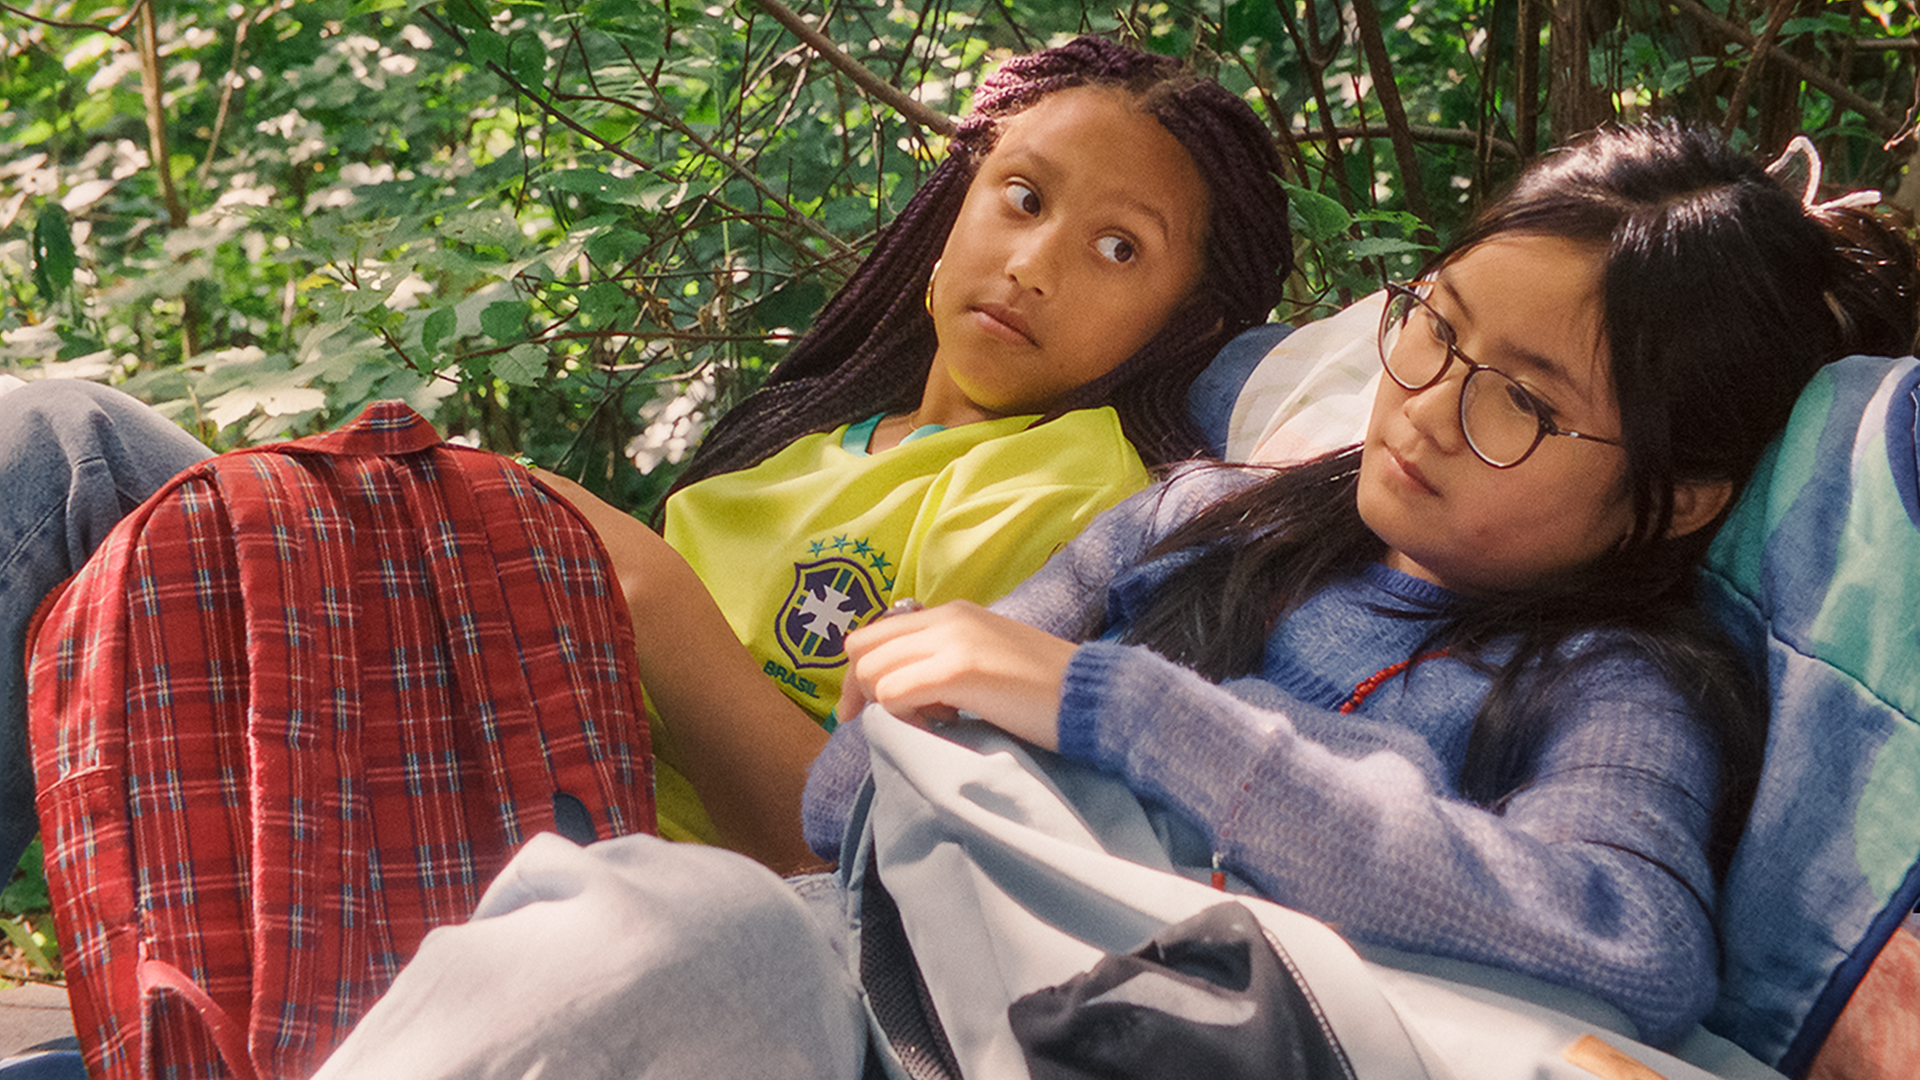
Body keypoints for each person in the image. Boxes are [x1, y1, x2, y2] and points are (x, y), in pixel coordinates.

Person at [0, 36, 1293, 877]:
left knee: (71, 453)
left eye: (1118, 247)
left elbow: (863, 867)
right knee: (71, 445)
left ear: (1185, 322)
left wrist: (648, 598)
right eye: (1021, 195)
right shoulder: (797, 451)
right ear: (954, 203)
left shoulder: (1073, 492)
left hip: (595, 873)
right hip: (486, 746)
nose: (1034, 261)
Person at [808, 120, 1920, 1047]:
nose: (1430, 405)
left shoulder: (1602, 684)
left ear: (1678, 496)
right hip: (914, 990)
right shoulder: (1194, 517)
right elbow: (839, 791)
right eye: (1438, 323)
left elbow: (1635, 944)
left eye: (1522, 403)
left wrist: (1122, 709)